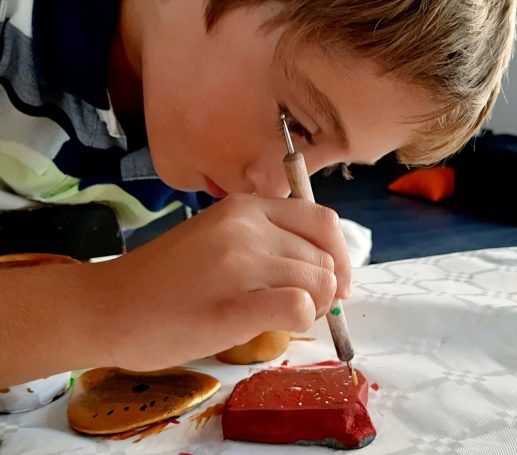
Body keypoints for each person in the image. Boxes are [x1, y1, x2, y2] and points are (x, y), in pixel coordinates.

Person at [0, 0, 514, 387]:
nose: (272, 188)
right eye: (295, 124)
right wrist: (103, 308)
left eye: (335, 167)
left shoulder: (190, 121)